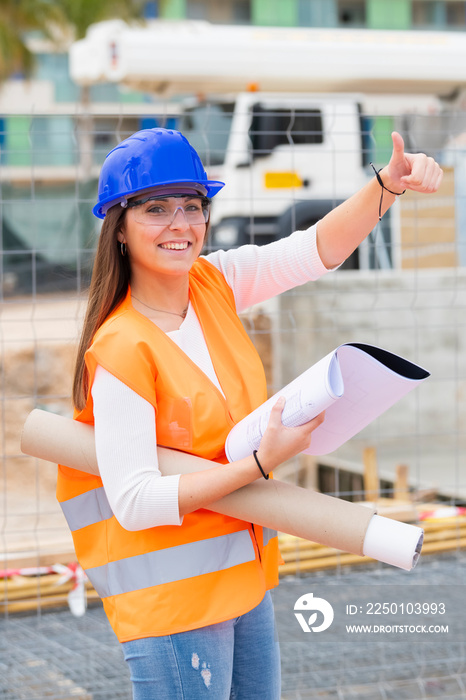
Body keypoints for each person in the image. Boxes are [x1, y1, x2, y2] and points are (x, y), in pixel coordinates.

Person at [57, 127, 442, 700]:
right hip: (175, 602)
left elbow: (317, 249)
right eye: (156, 209)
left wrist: (387, 185)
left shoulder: (212, 284)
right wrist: (260, 464)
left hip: (240, 577)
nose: (181, 224)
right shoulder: (121, 350)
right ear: (119, 228)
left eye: (193, 206)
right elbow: (134, 503)